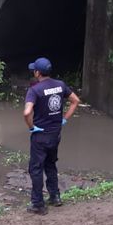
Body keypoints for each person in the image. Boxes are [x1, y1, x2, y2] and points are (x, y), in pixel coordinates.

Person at [23, 57, 80, 215]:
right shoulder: (60, 85)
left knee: (36, 169)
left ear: (37, 72)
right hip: (55, 134)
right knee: (50, 164)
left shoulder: (34, 90)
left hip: (40, 135)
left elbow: (27, 112)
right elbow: (75, 101)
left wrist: (31, 127)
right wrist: (64, 119)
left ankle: (38, 204)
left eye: (34, 69)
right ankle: (55, 197)